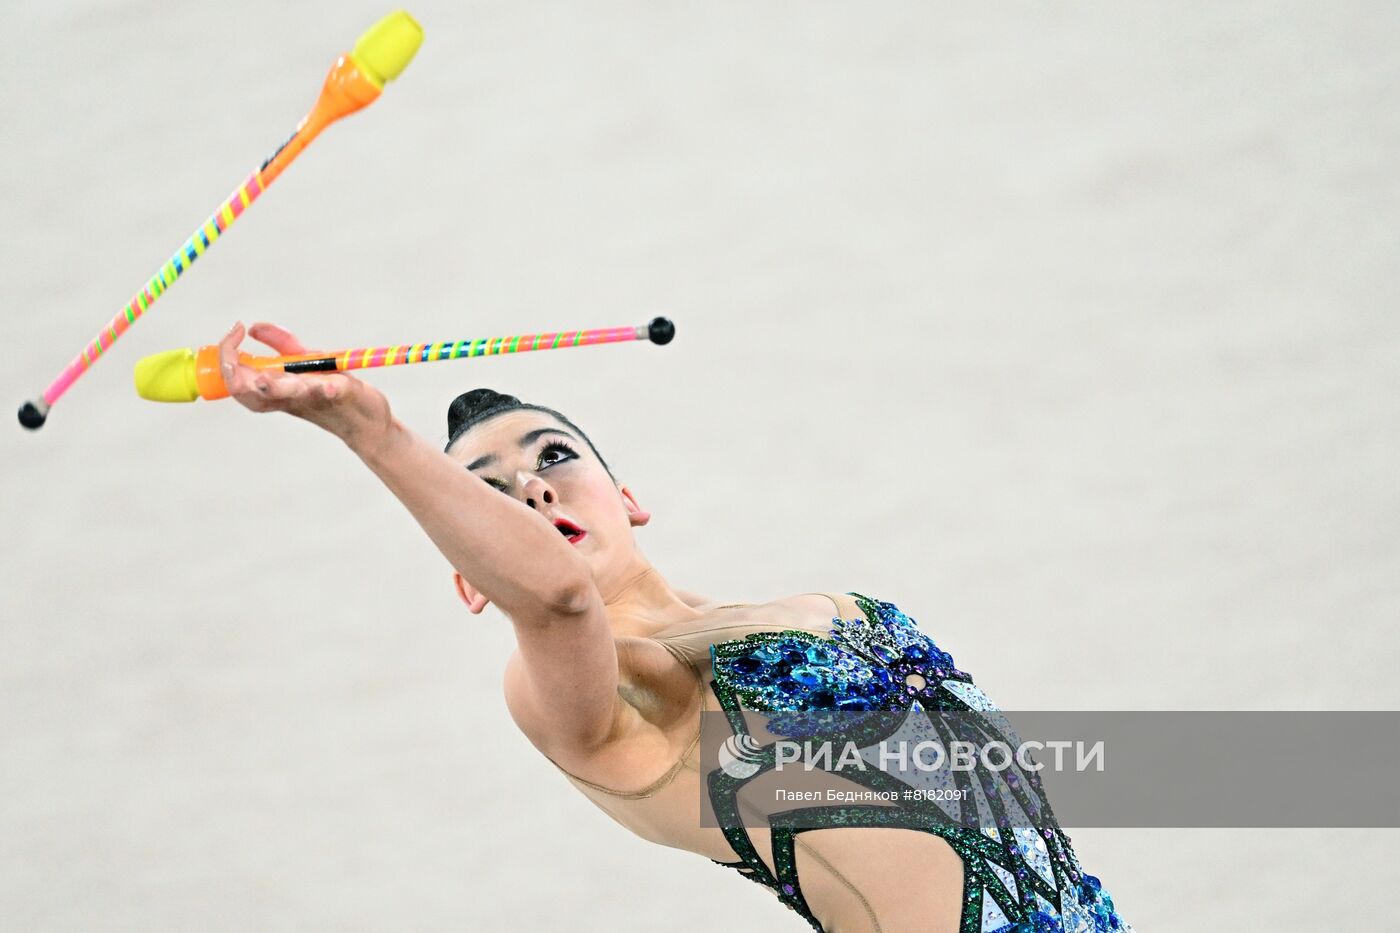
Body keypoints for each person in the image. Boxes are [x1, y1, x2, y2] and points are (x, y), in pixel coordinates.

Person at [215, 321, 1132, 933]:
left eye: (554, 457)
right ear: (473, 583)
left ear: (627, 497)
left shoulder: (839, 607)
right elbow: (560, 603)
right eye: (485, 492)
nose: (533, 487)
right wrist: (373, 434)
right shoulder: (602, 698)